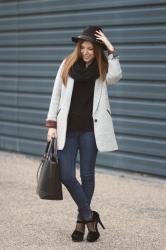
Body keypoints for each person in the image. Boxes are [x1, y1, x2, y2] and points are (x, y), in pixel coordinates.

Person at [46, 25, 122, 242]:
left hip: (91, 130)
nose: (86, 52)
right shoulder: (67, 65)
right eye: (83, 47)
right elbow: (56, 96)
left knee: (87, 175)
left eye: (91, 48)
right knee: (66, 175)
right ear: (79, 48)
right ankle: (90, 215)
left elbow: (116, 77)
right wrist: (52, 124)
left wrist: (110, 48)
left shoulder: (102, 66)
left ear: (96, 50)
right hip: (68, 130)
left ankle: (81, 223)